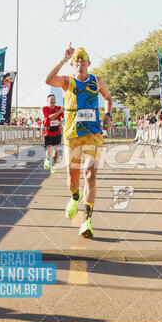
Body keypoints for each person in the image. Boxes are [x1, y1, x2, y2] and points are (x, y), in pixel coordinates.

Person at [45, 44, 112, 238]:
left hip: (93, 134)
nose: (80, 63)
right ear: (73, 65)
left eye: (84, 60)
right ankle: (75, 197)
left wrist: (108, 115)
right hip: (72, 136)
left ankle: (87, 221)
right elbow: (48, 79)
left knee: (90, 173)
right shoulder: (67, 82)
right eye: (77, 60)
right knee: (73, 181)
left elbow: (108, 98)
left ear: (89, 63)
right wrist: (63, 59)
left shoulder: (96, 81)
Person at [42, 94, 64, 173]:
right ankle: (47, 160)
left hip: (57, 131)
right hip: (48, 131)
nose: (52, 100)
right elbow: (51, 116)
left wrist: (61, 121)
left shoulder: (58, 108)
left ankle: (53, 165)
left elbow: (64, 117)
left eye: (54, 99)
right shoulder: (45, 108)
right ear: (47, 101)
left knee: (56, 150)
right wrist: (60, 111)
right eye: (51, 99)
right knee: (48, 150)